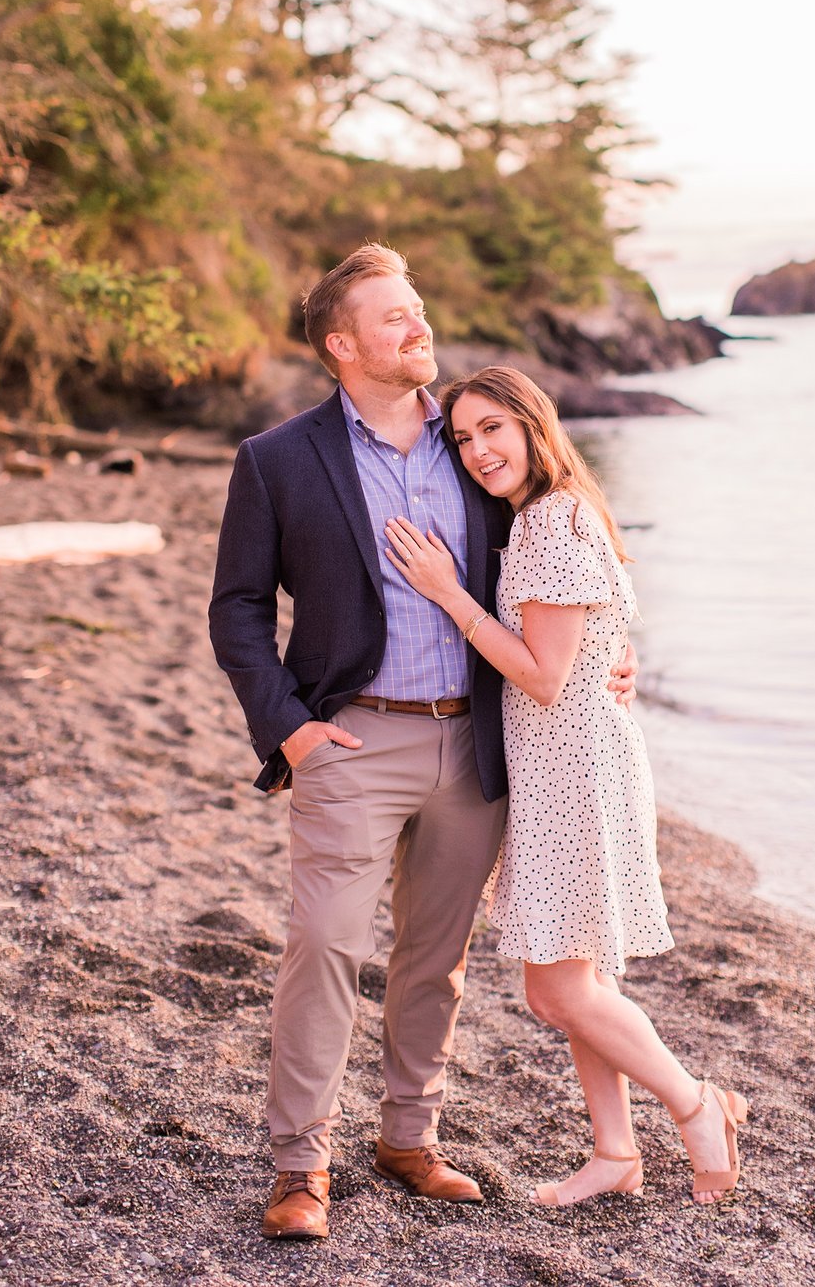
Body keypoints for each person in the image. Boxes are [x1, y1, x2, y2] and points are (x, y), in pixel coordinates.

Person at [209, 247, 639, 1241]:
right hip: (351, 744)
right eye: (394, 317)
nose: (418, 327)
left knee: (434, 960)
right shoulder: (277, 460)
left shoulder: (475, 441)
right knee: (323, 945)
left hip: (481, 745)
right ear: (341, 344)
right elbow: (236, 611)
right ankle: (300, 1168)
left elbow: (573, 535)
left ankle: (409, 1138)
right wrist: (291, 728)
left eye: (416, 309)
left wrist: (616, 654)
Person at [383, 365, 748, 1208]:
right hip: (576, 764)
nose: (477, 452)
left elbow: (544, 677)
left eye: (493, 430)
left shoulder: (549, 522)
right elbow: (597, 639)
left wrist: (448, 597)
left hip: (573, 774)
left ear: (532, 426)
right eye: (464, 438)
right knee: (585, 981)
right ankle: (615, 1153)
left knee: (556, 990)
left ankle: (697, 1106)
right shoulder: (565, 510)